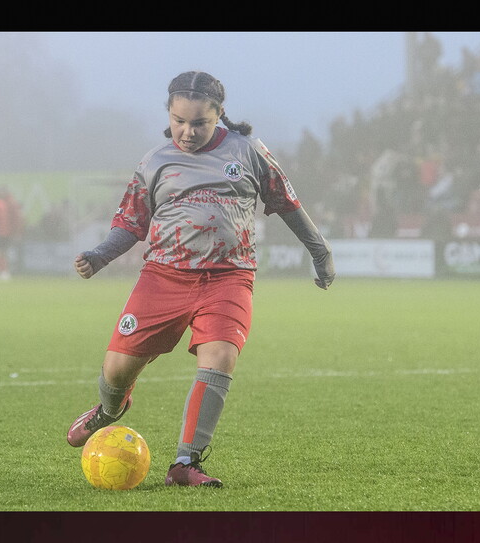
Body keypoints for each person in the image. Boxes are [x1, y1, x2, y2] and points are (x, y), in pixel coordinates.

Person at [66, 71, 335, 488]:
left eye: (199, 123)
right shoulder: (155, 161)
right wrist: (100, 255)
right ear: (168, 114)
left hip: (229, 277)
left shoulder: (248, 150)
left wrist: (320, 252)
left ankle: (185, 463)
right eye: (179, 121)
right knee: (116, 372)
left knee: (221, 356)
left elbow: (287, 202)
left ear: (219, 114)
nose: (187, 132)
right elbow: (131, 222)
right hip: (163, 278)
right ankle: (109, 410)